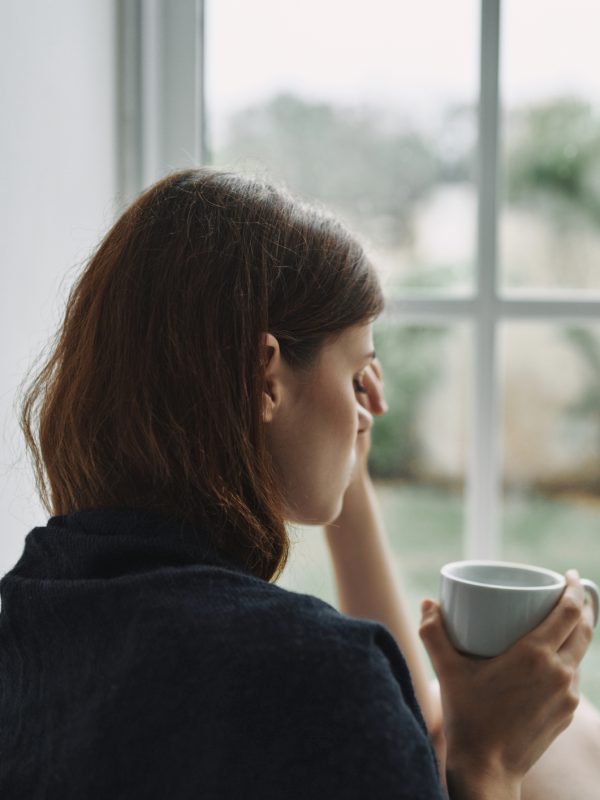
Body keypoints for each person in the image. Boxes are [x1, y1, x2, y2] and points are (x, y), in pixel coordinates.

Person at [0, 167, 596, 799]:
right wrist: (490, 764)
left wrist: (350, 476)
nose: (366, 411)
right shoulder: (311, 673)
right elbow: (372, 722)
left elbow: (396, 736)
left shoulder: (32, 617)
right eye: (357, 374)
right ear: (265, 379)